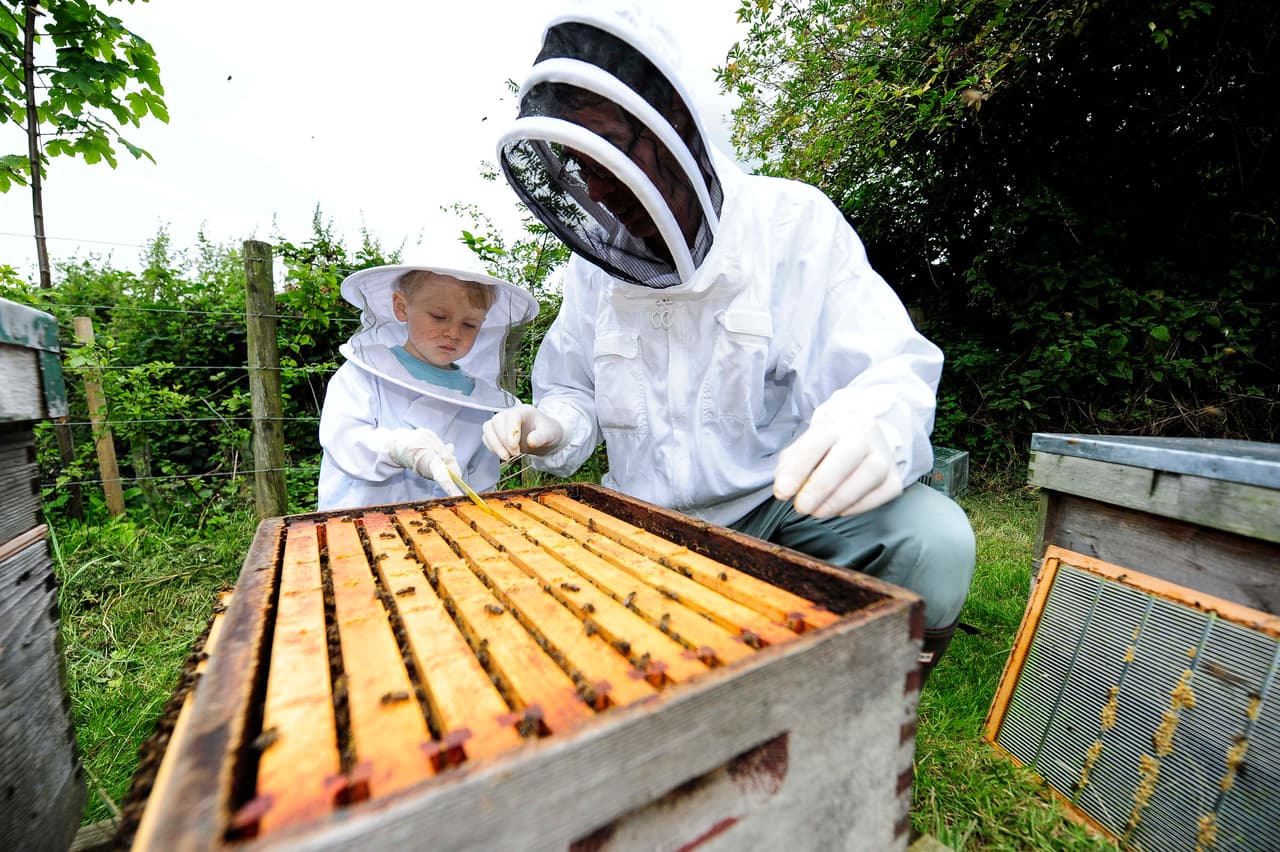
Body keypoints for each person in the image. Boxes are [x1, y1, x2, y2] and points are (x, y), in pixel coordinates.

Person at [482, 3, 976, 682]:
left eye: (612, 149)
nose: (595, 186)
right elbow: (574, 390)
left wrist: (873, 422)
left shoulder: (793, 224)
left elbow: (888, 366)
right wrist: (550, 422)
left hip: (773, 509)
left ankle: (880, 705)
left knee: (933, 540)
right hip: (638, 519)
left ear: (675, 126)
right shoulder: (592, 270)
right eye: (578, 162)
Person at [317, 257, 538, 511]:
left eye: (469, 324)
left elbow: (482, 481)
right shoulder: (364, 373)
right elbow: (343, 441)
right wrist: (398, 448)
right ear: (401, 307)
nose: (454, 333)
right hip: (354, 526)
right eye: (438, 316)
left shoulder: (479, 399)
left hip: (445, 534)